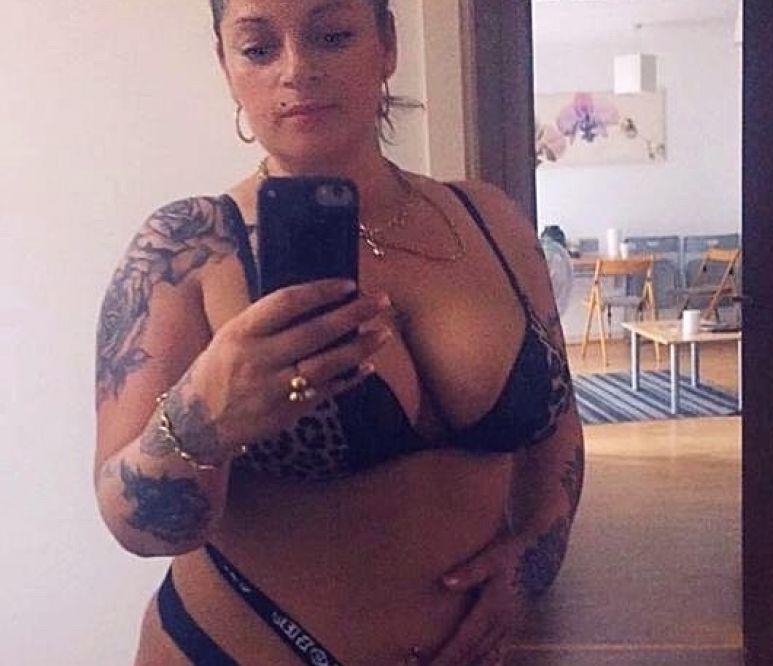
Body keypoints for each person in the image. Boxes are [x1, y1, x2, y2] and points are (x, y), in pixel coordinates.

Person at [93, 1, 585, 664]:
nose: (297, 71)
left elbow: (558, 428)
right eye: (258, 48)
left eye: (332, 35)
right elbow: (135, 527)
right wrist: (204, 413)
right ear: (226, 66)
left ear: (387, 45)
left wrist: (535, 559)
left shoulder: (491, 220)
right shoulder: (186, 250)